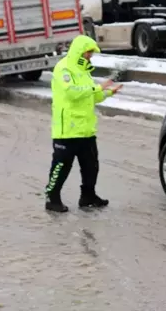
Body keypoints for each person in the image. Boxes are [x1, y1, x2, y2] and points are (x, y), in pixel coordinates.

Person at [45, 34, 123, 212]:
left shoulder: (84, 71)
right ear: (79, 51)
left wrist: (109, 93)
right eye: (88, 53)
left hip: (86, 130)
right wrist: (98, 87)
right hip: (67, 130)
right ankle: (52, 198)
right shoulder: (63, 68)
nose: (90, 56)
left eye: (91, 54)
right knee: (61, 167)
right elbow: (72, 92)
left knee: (91, 166)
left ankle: (88, 196)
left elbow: (91, 96)